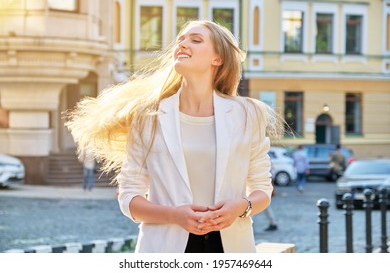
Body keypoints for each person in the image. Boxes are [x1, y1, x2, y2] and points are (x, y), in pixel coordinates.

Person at [65, 20, 283, 253]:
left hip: (232, 249)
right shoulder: (147, 115)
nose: (182, 44)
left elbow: (262, 189)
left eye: (195, 40)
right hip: (163, 250)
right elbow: (129, 197)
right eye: (180, 40)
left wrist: (241, 207)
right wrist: (175, 215)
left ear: (217, 59)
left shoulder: (249, 113)